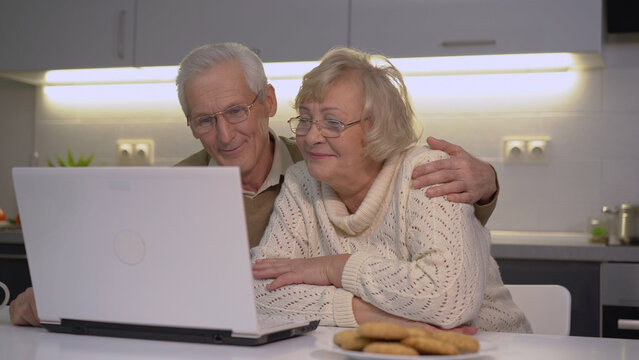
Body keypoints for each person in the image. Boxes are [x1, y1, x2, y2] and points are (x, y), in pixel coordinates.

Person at [10, 42, 498, 327]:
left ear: (265, 102)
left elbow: (448, 287)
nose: (224, 135)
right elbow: (256, 288)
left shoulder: (317, 164)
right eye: (205, 120)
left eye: (236, 112)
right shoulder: (183, 189)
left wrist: (329, 267)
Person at [251, 47, 531, 332]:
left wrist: (333, 268)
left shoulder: (426, 172)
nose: (310, 137)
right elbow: (256, 290)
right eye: (305, 119)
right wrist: (375, 317)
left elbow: (448, 300)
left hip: (490, 347)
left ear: (377, 129)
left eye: (333, 122)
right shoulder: (302, 182)